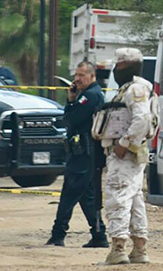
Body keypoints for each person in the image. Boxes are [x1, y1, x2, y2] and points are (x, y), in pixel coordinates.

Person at [98, 48, 152, 265]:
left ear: (126, 67)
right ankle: (139, 249)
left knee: (118, 199)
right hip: (128, 156)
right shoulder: (128, 89)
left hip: (124, 156)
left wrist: (124, 144)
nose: (115, 69)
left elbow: (143, 119)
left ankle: (118, 248)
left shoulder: (135, 90)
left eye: (118, 65)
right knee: (135, 200)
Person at [46, 61, 108, 248]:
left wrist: (71, 102)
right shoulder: (87, 95)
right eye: (76, 75)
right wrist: (72, 100)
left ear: (92, 76)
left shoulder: (90, 96)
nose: (77, 79)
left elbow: (70, 120)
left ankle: (58, 235)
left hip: (84, 154)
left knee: (69, 193)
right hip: (83, 153)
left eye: (82, 75)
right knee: (86, 196)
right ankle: (99, 235)